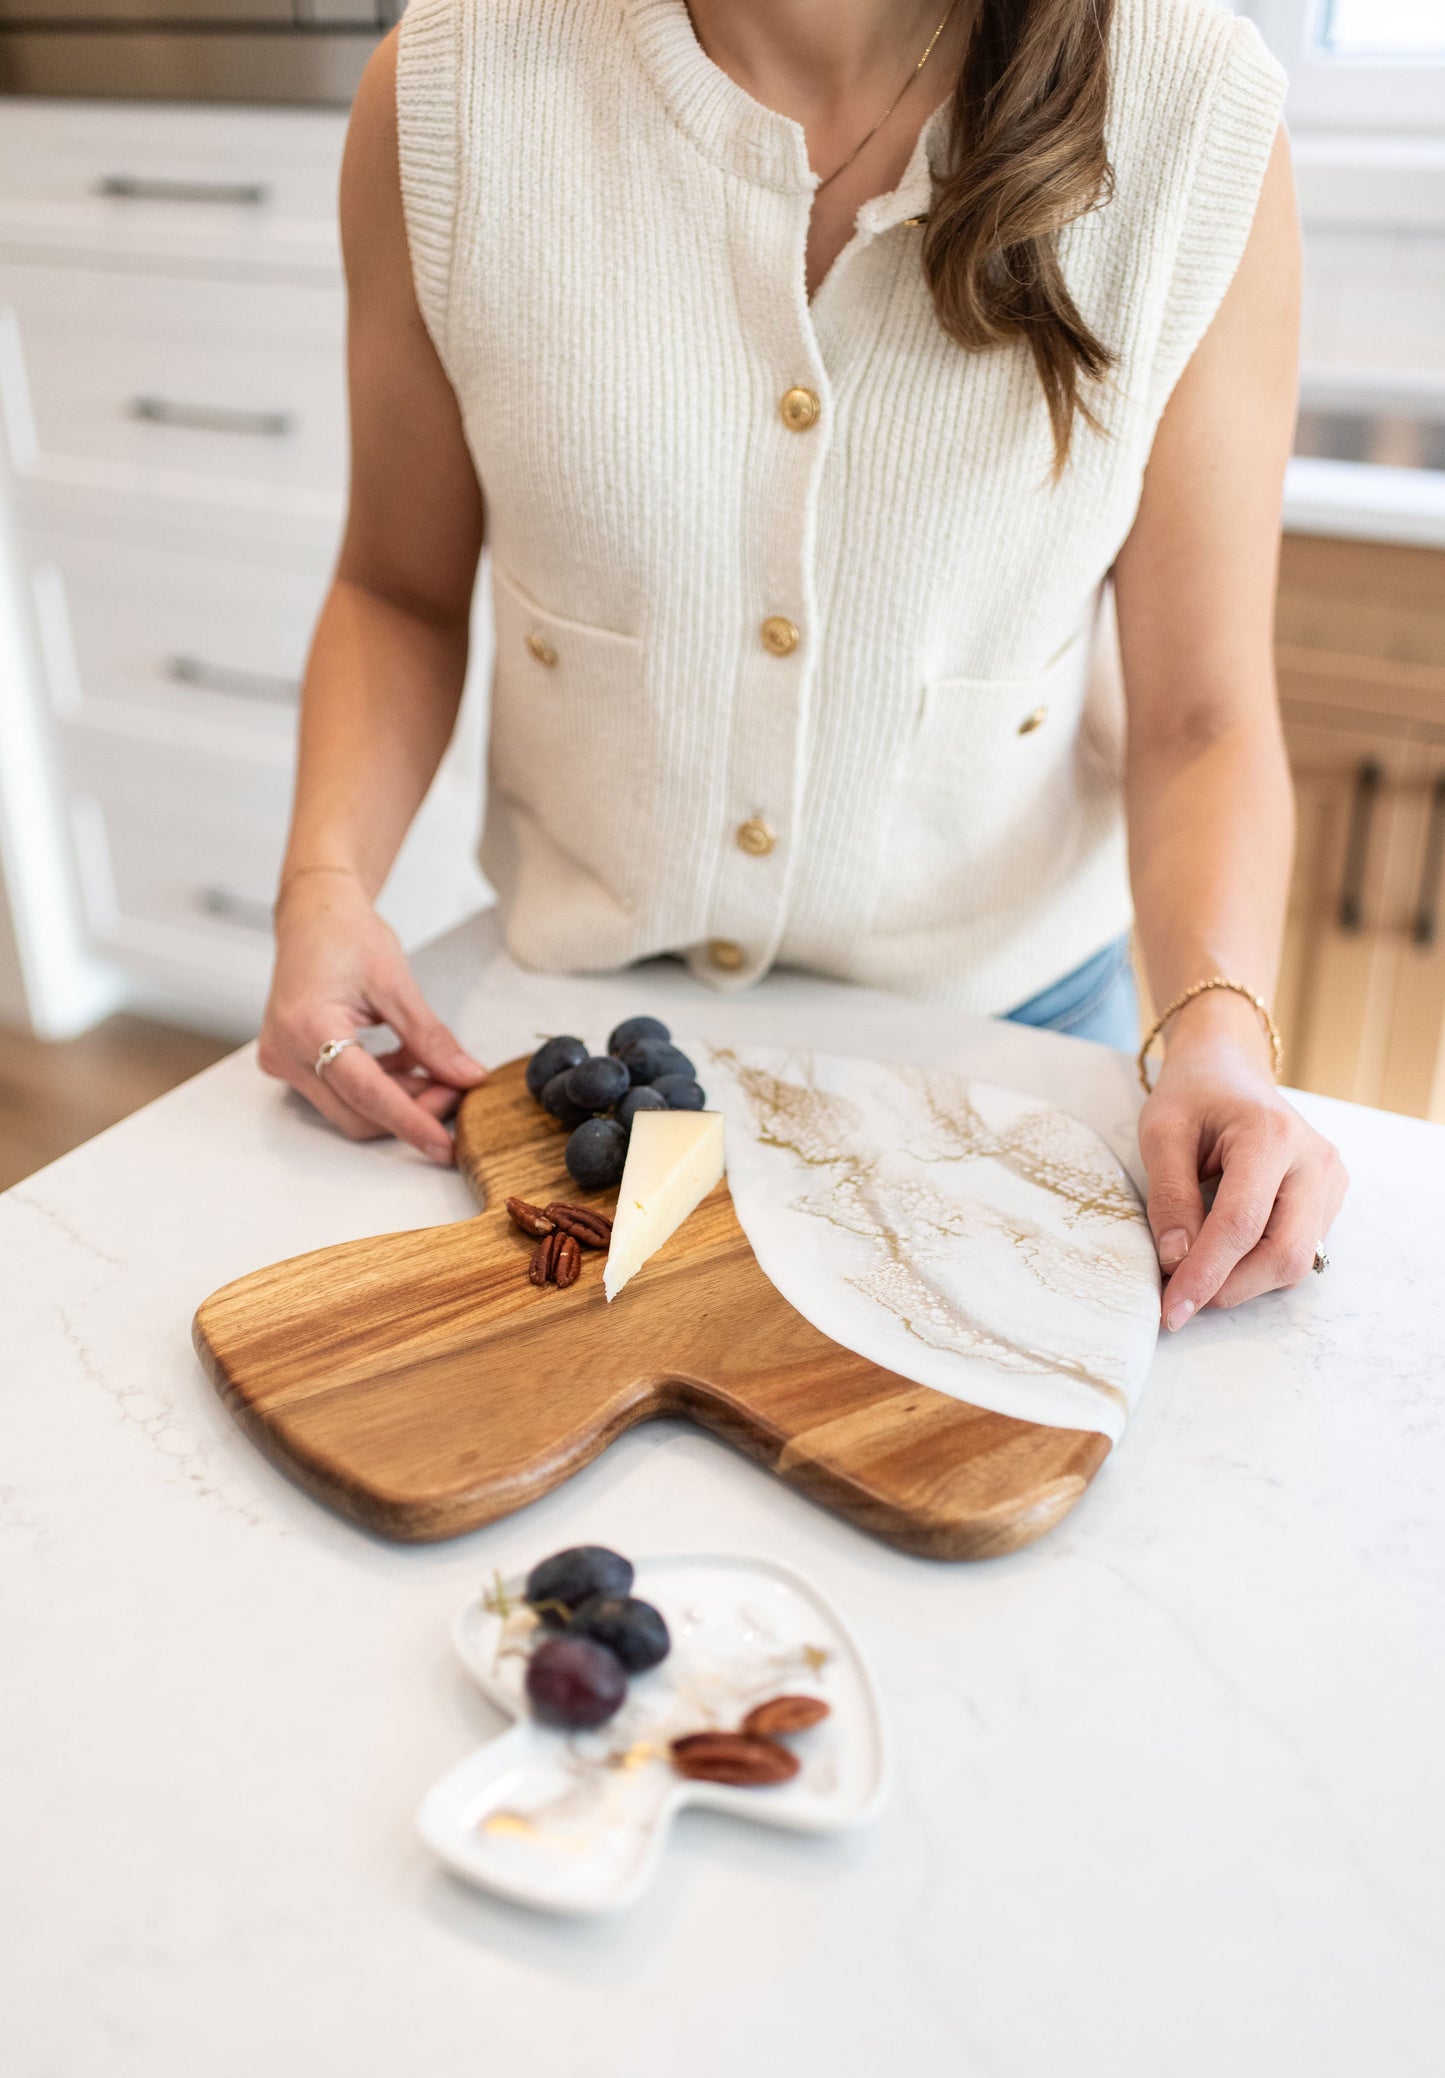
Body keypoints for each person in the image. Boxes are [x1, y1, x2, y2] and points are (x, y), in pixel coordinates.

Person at [259, 0, 1348, 1330]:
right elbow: (395, 590)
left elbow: (1198, 714)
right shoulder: (447, 90)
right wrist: (321, 886)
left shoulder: (1192, 112)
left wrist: (1221, 1042)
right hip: (576, 1038)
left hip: (1007, 1045)